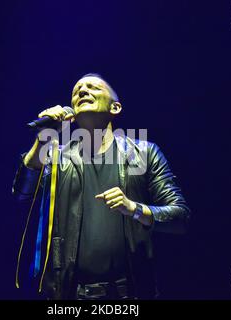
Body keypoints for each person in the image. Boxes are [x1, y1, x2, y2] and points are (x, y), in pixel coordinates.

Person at [12, 73, 190, 299]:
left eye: (93, 87)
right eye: (77, 90)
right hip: (70, 295)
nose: (82, 91)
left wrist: (134, 209)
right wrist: (42, 139)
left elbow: (180, 217)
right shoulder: (59, 159)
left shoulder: (143, 153)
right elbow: (23, 194)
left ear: (115, 107)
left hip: (130, 294)